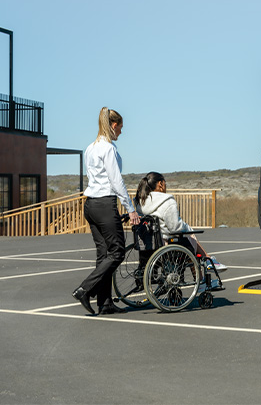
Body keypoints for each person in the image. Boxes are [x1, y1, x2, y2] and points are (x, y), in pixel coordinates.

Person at [72, 107, 140, 315]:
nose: (121, 132)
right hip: (103, 204)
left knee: (104, 255)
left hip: (90, 204)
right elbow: (116, 181)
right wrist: (131, 209)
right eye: (120, 127)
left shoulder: (90, 148)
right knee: (117, 251)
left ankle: (105, 303)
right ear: (113, 125)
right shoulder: (108, 149)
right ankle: (85, 288)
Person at [134, 171, 227, 272]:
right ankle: (205, 268)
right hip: (166, 244)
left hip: (149, 244)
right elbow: (175, 228)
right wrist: (188, 228)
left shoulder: (141, 202)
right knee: (190, 235)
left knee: (188, 236)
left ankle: (207, 261)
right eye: (165, 183)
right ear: (160, 184)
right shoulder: (167, 201)